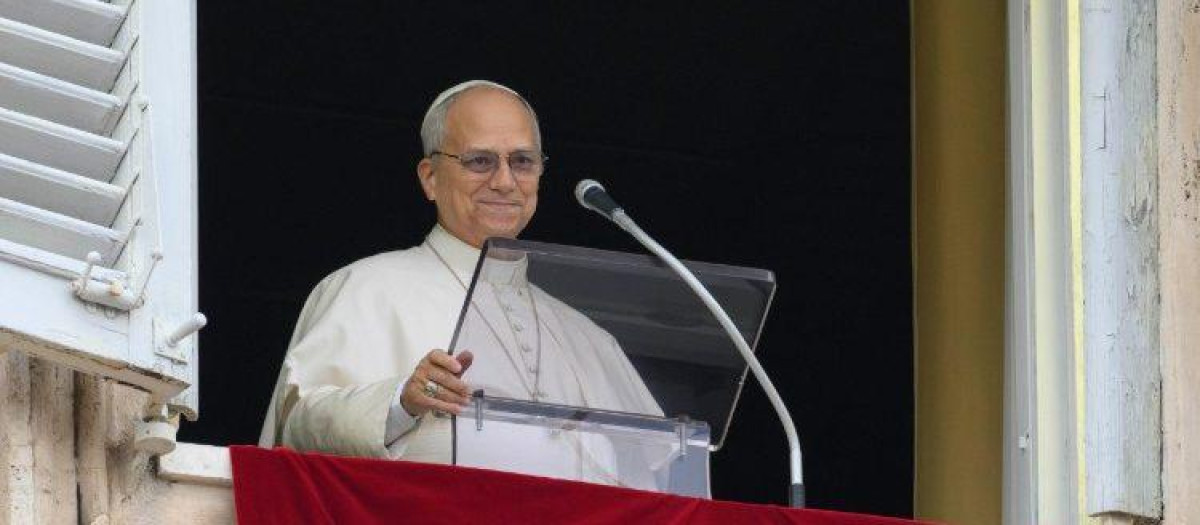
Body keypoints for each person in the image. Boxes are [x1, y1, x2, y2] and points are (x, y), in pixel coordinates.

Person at [259, 81, 663, 485]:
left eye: (522, 161)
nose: (505, 181)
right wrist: (401, 400)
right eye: (480, 161)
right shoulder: (365, 287)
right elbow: (297, 428)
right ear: (430, 177)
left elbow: (660, 478)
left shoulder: (588, 337)